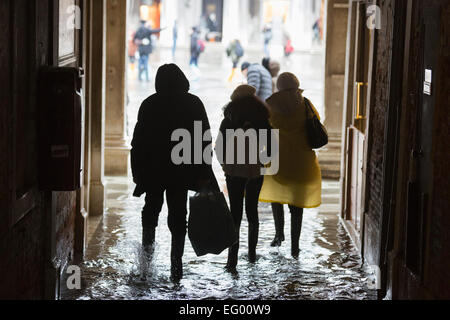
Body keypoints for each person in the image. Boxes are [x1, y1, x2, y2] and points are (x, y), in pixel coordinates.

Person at [131, 64, 214, 282]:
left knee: (150, 213)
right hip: (181, 169)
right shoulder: (193, 103)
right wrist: (204, 171)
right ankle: (176, 267)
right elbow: (203, 138)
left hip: (153, 170)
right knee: (178, 216)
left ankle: (146, 266)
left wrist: (137, 172)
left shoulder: (149, 104)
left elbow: (138, 142)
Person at [259, 72, 322, 258]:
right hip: (301, 161)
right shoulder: (306, 104)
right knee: (297, 206)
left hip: (277, 160)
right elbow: (316, 125)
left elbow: (264, 131)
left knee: (276, 198)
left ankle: (279, 234)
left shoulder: (270, 104)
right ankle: (295, 246)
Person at [216, 85, 272, 272]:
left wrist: (226, 166)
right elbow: (270, 149)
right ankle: (252, 256)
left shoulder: (229, 119)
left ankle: (232, 261)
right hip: (256, 169)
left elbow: (219, 147)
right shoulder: (262, 120)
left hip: (234, 170)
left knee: (235, 214)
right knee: (252, 211)